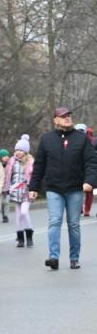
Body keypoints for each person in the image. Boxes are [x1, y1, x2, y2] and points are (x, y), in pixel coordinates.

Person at [28, 105, 97, 270]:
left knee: (73, 224)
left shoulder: (81, 139)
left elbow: (91, 162)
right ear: (56, 120)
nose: (67, 118)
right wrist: (33, 187)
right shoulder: (47, 139)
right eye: (63, 116)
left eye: (69, 115)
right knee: (54, 221)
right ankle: (54, 257)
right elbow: (39, 165)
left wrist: (90, 181)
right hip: (54, 189)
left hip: (75, 188)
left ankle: (74, 258)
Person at [5, 135, 34, 247]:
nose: (18, 152)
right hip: (15, 191)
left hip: (26, 191)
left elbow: (34, 177)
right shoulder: (12, 161)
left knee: (24, 212)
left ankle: (29, 235)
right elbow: (8, 176)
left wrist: (33, 189)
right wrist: (6, 188)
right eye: (17, 150)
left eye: (21, 150)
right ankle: (20, 238)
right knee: (18, 215)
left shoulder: (30, 162)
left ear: (26, 152)